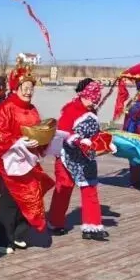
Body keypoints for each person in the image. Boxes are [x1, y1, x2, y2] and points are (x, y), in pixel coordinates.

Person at [0, 71, 54, 255]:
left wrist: (41, 141)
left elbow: (38, 130)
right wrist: (18, 141)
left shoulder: (33, 109)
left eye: (31, 88)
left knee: (31, 195)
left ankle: (17, 234)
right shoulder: (5, 108)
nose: (29, 92)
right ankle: (0, 240)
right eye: (25, 88)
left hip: (28, 161)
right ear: (16, 88)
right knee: (9, 200)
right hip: (9, 162)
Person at [48, 79, 113, 241]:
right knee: (64, 188)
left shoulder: (92, 112)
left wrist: (105, 143)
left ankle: (92, 226)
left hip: (86, 157)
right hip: (67, 156)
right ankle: (55, 222)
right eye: (91, 99)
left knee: (90, 187)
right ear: (83, 95)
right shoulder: (71, 109)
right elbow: (62, 131)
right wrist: (77, 140)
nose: (93, 103)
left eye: (96, 100)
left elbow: (95, 134)